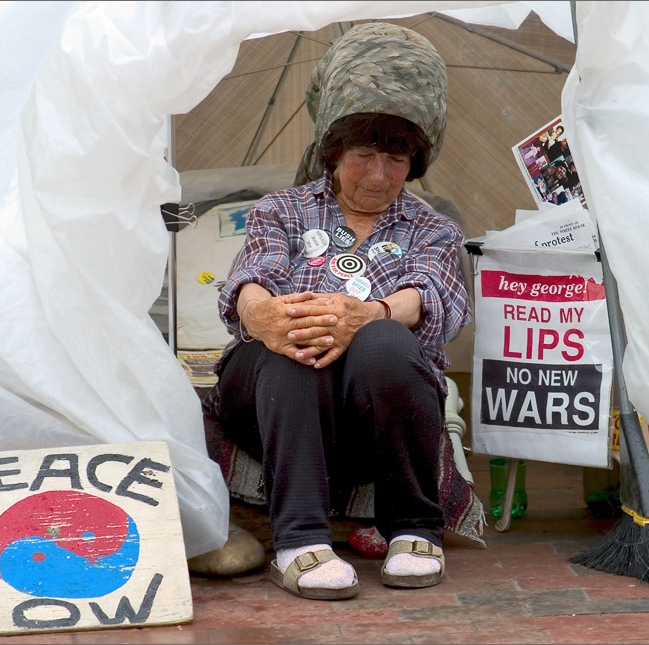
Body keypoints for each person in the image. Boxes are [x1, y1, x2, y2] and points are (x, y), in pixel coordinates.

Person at [202, 23, 475, 601]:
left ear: (414, 163)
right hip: (276, 401)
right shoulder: (283, 210)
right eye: (363, 156)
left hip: (375, 409)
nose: (378, 175)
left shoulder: (434, 228)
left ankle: (413, 530)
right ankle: (298, 541)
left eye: (396, 160)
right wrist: (263, 316)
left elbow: (432, 295)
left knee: (385, 341)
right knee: (295, 345)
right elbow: (251, 279)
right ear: (334, 153)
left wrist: (372, 312)